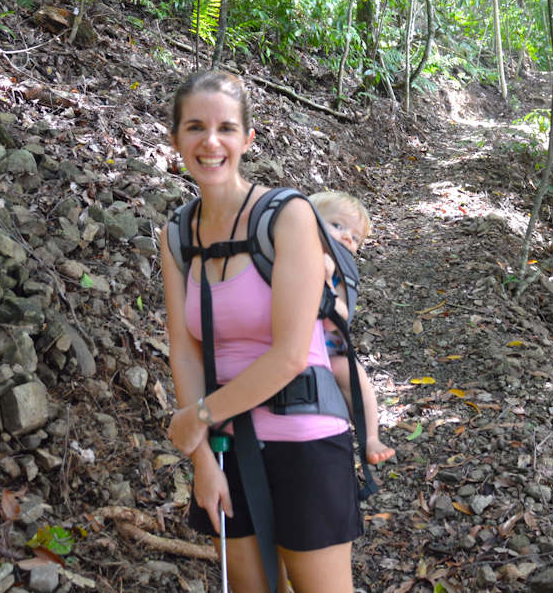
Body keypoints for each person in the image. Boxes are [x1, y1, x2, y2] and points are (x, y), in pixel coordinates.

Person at [160, 70, 360, 593]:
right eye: (195, 127)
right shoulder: (179, 235)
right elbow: (185, 351)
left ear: (247, 139)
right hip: (226, 449)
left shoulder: (286, 216)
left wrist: (197, 417)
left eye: (226, 128)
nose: (210, 141)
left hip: (304, 440)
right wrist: (202, 458)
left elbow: (292, 354)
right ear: (176, 137)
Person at [309, 191, 395, 465]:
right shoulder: (284, 251)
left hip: (328, 348)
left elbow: (341, 316)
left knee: (355, 376)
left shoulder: (340, 272)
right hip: (284, 342)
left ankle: (370, 436)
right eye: (337, 225)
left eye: (356, 237)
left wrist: (327, 284)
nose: (348, 237)